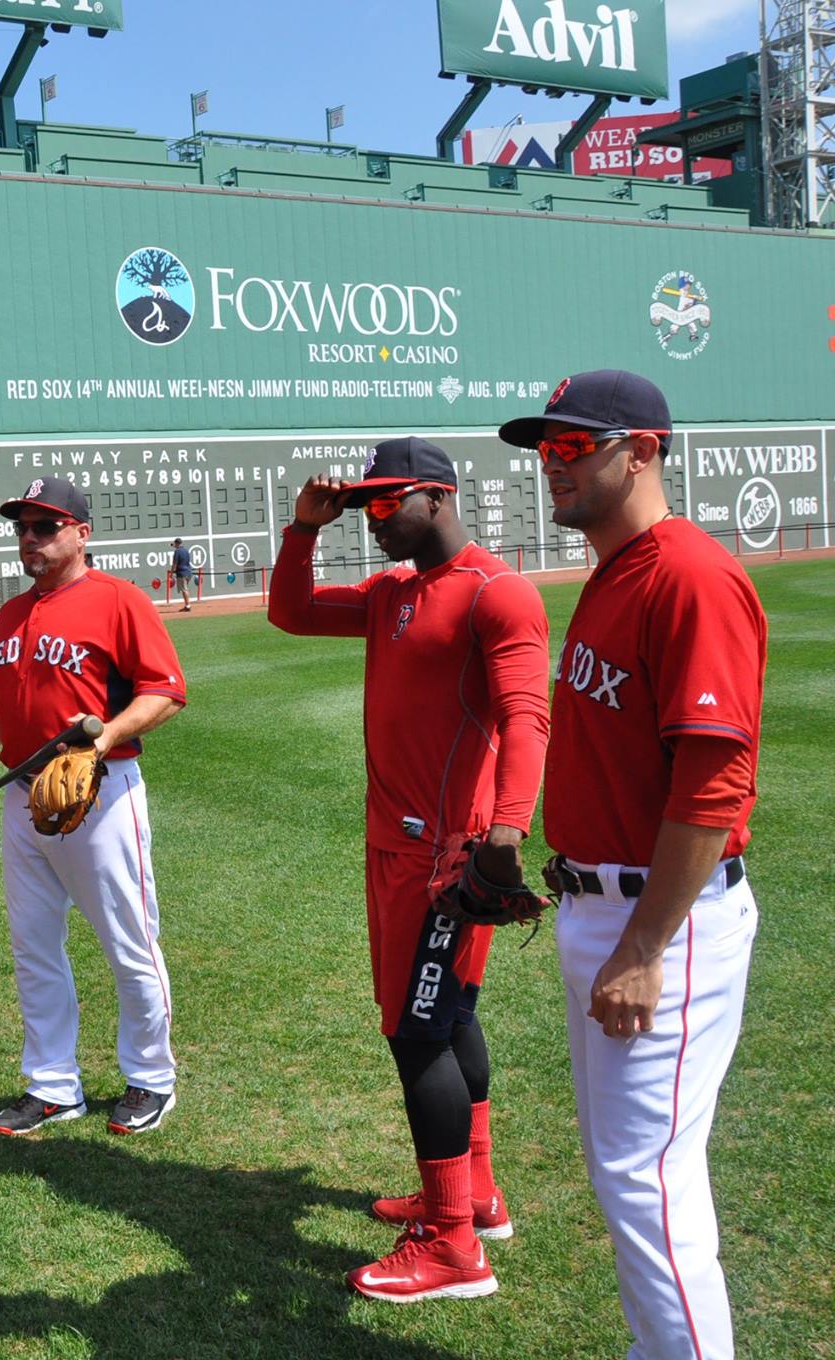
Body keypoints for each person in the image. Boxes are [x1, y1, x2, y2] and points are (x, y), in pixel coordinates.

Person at [498, 370, 765, 1359]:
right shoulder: (614, 571)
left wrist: (643, 945)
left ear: (641, 450)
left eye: (573, 448)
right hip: (604, 908)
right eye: (544, 450)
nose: (550, 465)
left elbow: (710, 787)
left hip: (662, 923)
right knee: (633, 1171)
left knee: (645, 1179)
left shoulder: (686, 576)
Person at [267, 437, 550, 1304]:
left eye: (390, 505)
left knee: (416, 1031)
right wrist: (305, 531)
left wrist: (506, 832)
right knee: (450, 1015)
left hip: (445, 859)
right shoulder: (392, 591)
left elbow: (527, 716)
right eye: (368, 506)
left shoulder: (496, 593)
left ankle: (455, 1246)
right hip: (393, 846)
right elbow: (292, 612)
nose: (376, 521)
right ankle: (474, 1194)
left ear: (437, 497)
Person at [0, 476, 188, 1138]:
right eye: (22, 527)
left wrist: (105, 737)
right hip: (23, 799)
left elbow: (166, 691)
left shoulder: (119, 600)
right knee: (33, 946)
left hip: (101, 795)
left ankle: (152, 1080)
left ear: (82, 533)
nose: (29, 537)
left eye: (45, 526)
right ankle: (53, 1085)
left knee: (129, 941)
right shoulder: (11, 614)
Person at [168, 538, 198, 611]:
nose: (174, 545)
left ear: (177, 543)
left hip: (182, 573)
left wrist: (171, 573)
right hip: (188, 572)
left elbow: (174, 564)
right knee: (184, 589)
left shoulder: (177, 552)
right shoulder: (186, 550)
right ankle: (187, 605)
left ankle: (188, 606)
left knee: (184, 589)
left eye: (174, 543)